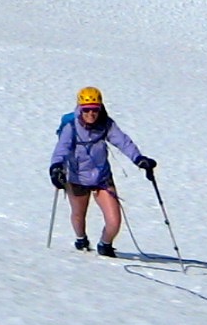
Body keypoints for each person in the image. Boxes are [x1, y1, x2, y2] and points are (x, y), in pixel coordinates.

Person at [49, 86, 155, 256]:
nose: (91, 114)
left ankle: (105, 245)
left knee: (114, 221)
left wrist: (139, 159)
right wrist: (56, 168)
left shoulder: (106, 123)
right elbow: (61, 149)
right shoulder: (71, 127)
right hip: (77, 178)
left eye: (95, 109)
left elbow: (123, 142)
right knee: (78, 215)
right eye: (86, 110)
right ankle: (81, 239)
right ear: (80, 108)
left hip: (102, 178)